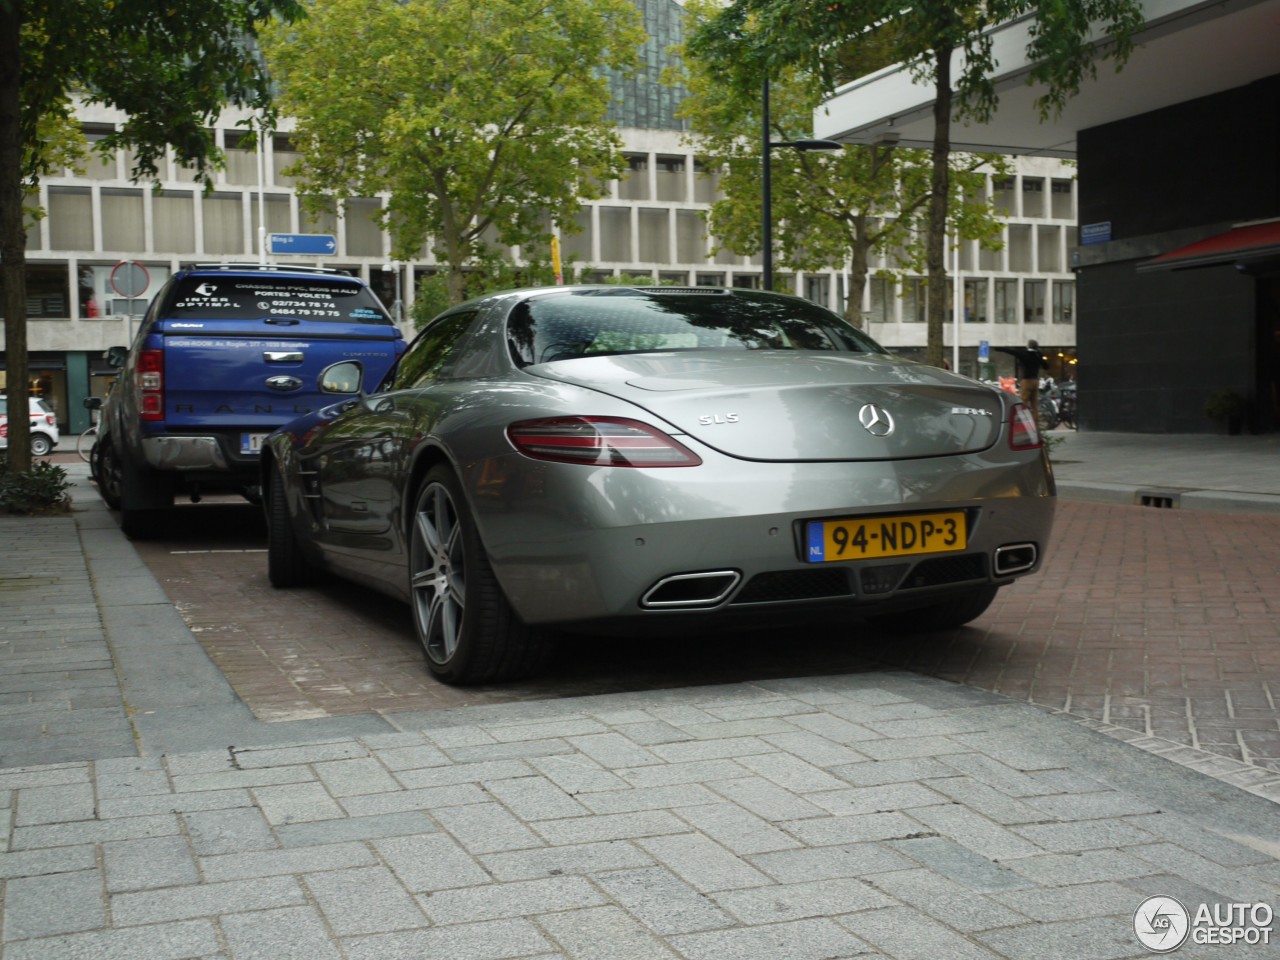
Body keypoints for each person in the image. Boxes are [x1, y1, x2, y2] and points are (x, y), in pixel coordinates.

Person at [995, 339, 1049, 422]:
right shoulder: (1038, 354)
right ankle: (1036, 423)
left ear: (1028, 346)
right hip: (1035, 381)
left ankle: (1020, 421)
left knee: (1023, 401)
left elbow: (1011, 351)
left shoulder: (1024, 354)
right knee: (1034, 403)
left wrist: (998, 348)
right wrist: (1039, 356)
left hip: (1027, 381)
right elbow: (1046, 366)